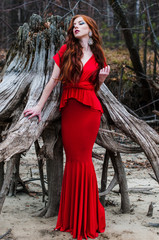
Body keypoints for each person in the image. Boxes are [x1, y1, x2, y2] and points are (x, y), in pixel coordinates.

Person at [24, 14, 110, 240]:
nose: (76, 27)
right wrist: (38, 107)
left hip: (91, 110)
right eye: (74, 24)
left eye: (81, 23)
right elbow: (53, 81)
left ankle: (89, 216)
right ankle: (73, 217)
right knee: (74, 160)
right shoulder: (66, 50)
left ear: (91, 29)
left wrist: (101, 81)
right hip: (70, 108)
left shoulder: (99, 56)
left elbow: (95, 88)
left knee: (85, 159)